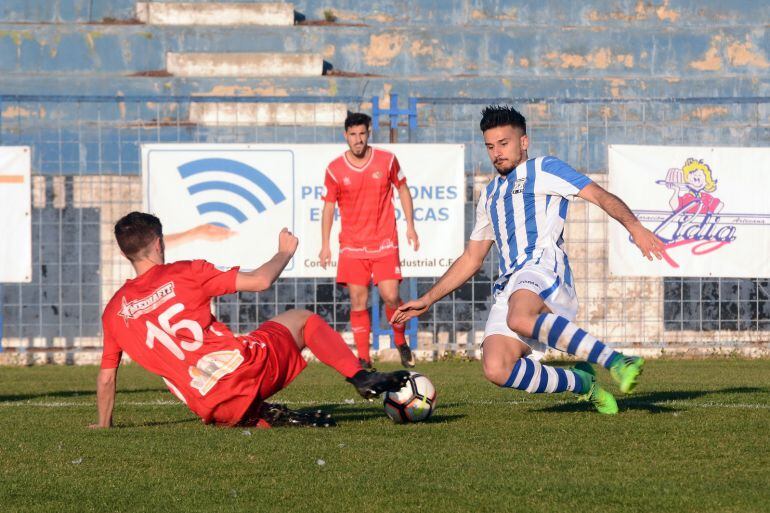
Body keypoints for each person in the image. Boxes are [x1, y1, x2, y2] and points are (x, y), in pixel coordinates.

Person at [393, 105, 665, 414]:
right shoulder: (490, 195)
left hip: (544, 267)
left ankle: (617, 361)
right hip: (510, 284)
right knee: (496, 368)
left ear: (524, 142)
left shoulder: (544, 169)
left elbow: (599, 195)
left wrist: (635, 227)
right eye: (490, 146)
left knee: (518, 316)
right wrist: (428, 299)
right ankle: (582, 384)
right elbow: (472, 257)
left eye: (504, 143)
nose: (497, 153)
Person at [92, 212, 409, 429]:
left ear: (126, 254)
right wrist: (284, 252)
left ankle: (264, 416)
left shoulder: (114, 312)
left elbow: (107, 379)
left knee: (214, 395)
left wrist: (103, 425)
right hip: (247, 373)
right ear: (159, 243)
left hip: (210, 406)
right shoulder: (184, 272)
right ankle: (359, 376)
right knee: (302, 320)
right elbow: (260, 280)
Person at [319, 112, 419, 369]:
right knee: (358, 300)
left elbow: (403, 189)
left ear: (369, 133)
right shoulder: (334, 169)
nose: (358, 139)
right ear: (346, 136)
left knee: (390, 295)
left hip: (384, 241)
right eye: (353, 134)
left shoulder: (386, 160)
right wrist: (325, 244)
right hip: (352, 246)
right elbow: (329, 207)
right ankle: (364, 359)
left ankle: (400, 340)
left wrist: (410, 226)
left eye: (362, 133)